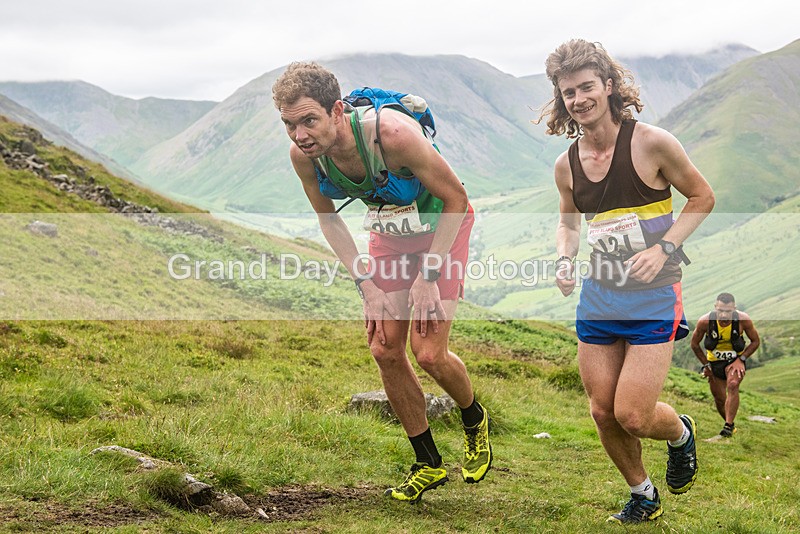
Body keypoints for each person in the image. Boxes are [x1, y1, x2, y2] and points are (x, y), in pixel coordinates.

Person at [272, 62, 492, 504]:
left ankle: (474, 420)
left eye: (308, 120)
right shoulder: (304, 157)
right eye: (289, 124)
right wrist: (366, 286)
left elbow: (456, 199)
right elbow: (327, 219)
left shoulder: (392, 136)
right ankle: (428, 462)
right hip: (390, 237)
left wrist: (429, 275)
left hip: (441, 228)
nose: (300, 135)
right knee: (384, 348)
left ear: (336, 111)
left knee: (429, 353)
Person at [538, 39, 715, 523]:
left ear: (610, 86)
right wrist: (564, 259)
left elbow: (702, 197)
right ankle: (643, 494)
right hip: (601, 292)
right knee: (602, 410)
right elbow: (569, 223)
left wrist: (664, 248)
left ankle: (679, 432)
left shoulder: (652, 142)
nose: (578, 99)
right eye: (568, 91)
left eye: (586, 86)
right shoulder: (567, 164)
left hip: (655, 293)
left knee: (633, 414)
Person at [690, 293, 760, 437]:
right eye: (720, 310)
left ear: (734, 309)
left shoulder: (743, 320)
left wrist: (742, 359)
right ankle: (731, 425)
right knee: (719, 398)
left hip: (735, 361)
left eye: (728, 311)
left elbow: (755, 341)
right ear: (715, 307)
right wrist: (706, 365)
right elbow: (694, 344)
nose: (723, 314)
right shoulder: (705, 322)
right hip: (714, 362)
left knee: (733, 384)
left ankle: (727, 427)